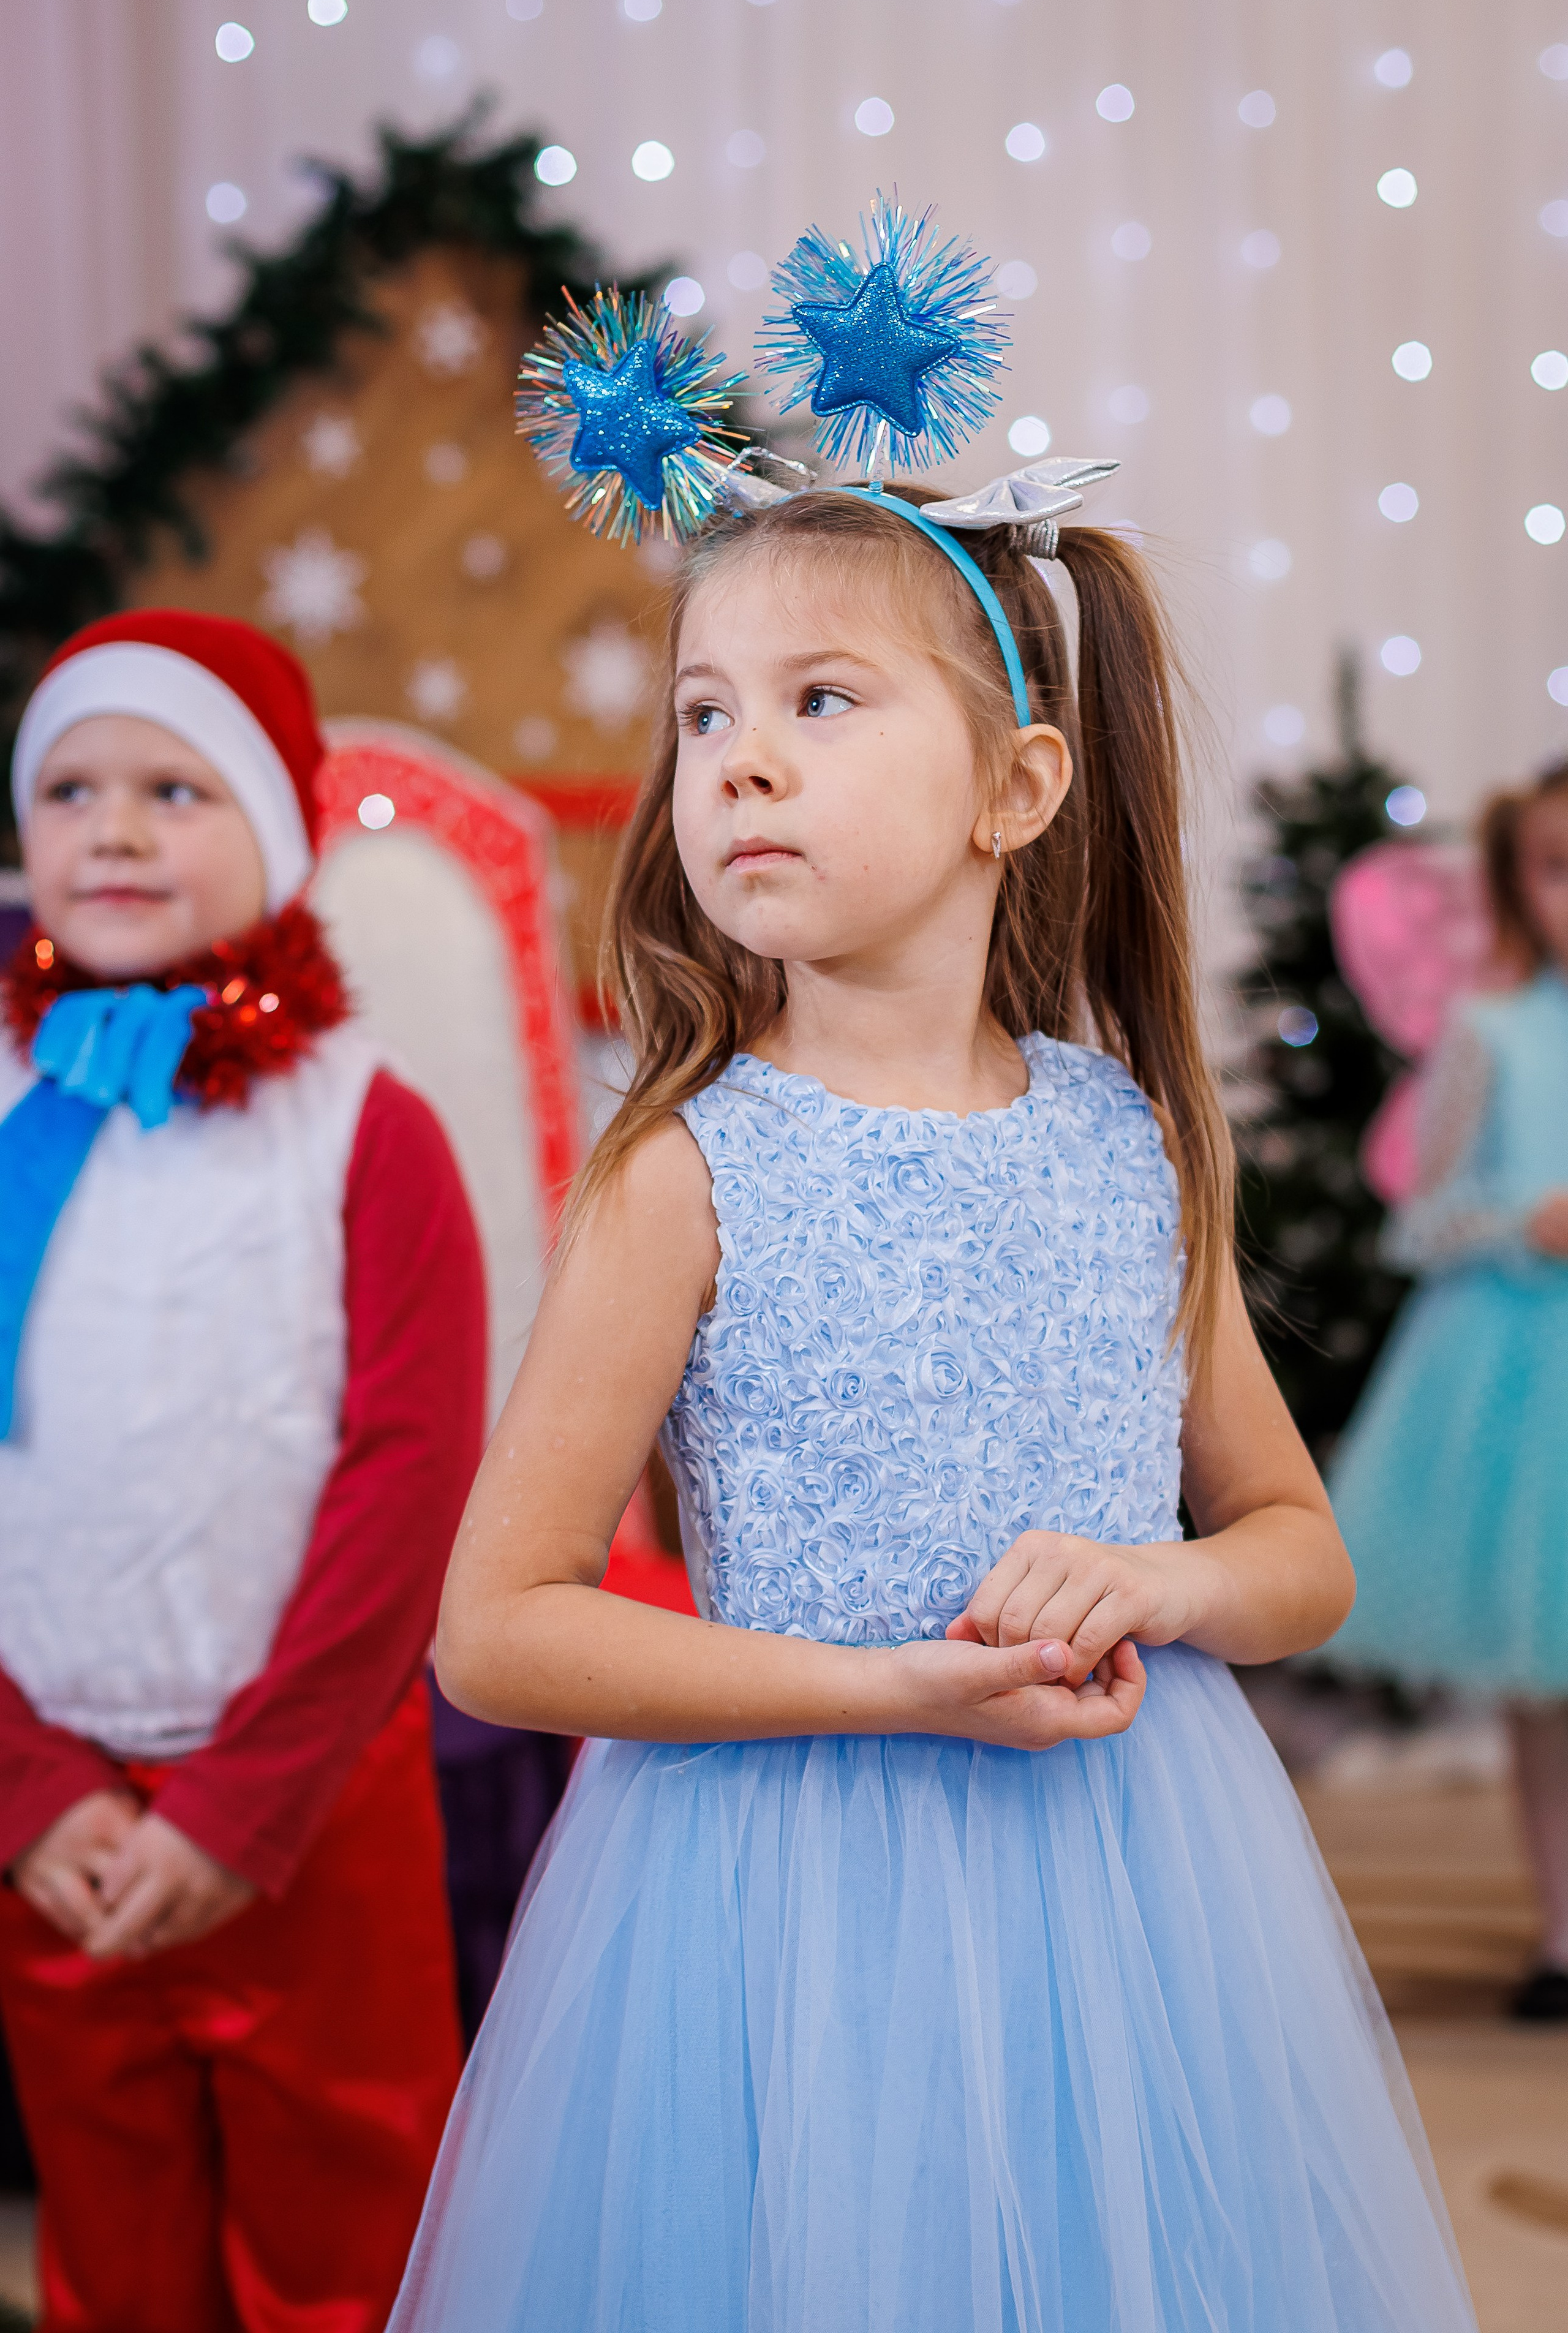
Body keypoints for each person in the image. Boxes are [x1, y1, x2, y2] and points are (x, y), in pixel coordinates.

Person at [389, 486, 1477, 2332]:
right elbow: (497, 1633)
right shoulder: (681, 1176)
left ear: (1015, 788)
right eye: (704, 712)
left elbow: (1299, 1558)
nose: (737, 761)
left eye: (819, 700)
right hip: (783, 1905)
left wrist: (1162, 1580)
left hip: (1131, 1896)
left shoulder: (1133, 1146)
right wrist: (893, 1687)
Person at [0, 609, 485, 2333]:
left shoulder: (368, 1126)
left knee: (351, 2244)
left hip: (310, 1805)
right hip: (56, 1815)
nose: (115, 832)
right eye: (71, 789)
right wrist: (30, 1788)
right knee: (115, 2252)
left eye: (174, 789)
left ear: (276, 832)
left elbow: (409, 1478)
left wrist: (245, 1801)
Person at [1329, 759, 1568, 2024]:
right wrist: (1523, 1220)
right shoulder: (1491, 1031)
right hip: (1522, 1380)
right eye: (1557, 868)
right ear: (1517, 886)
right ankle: (1561, 1934)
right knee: (1545, 1686)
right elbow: (1417, 1218)